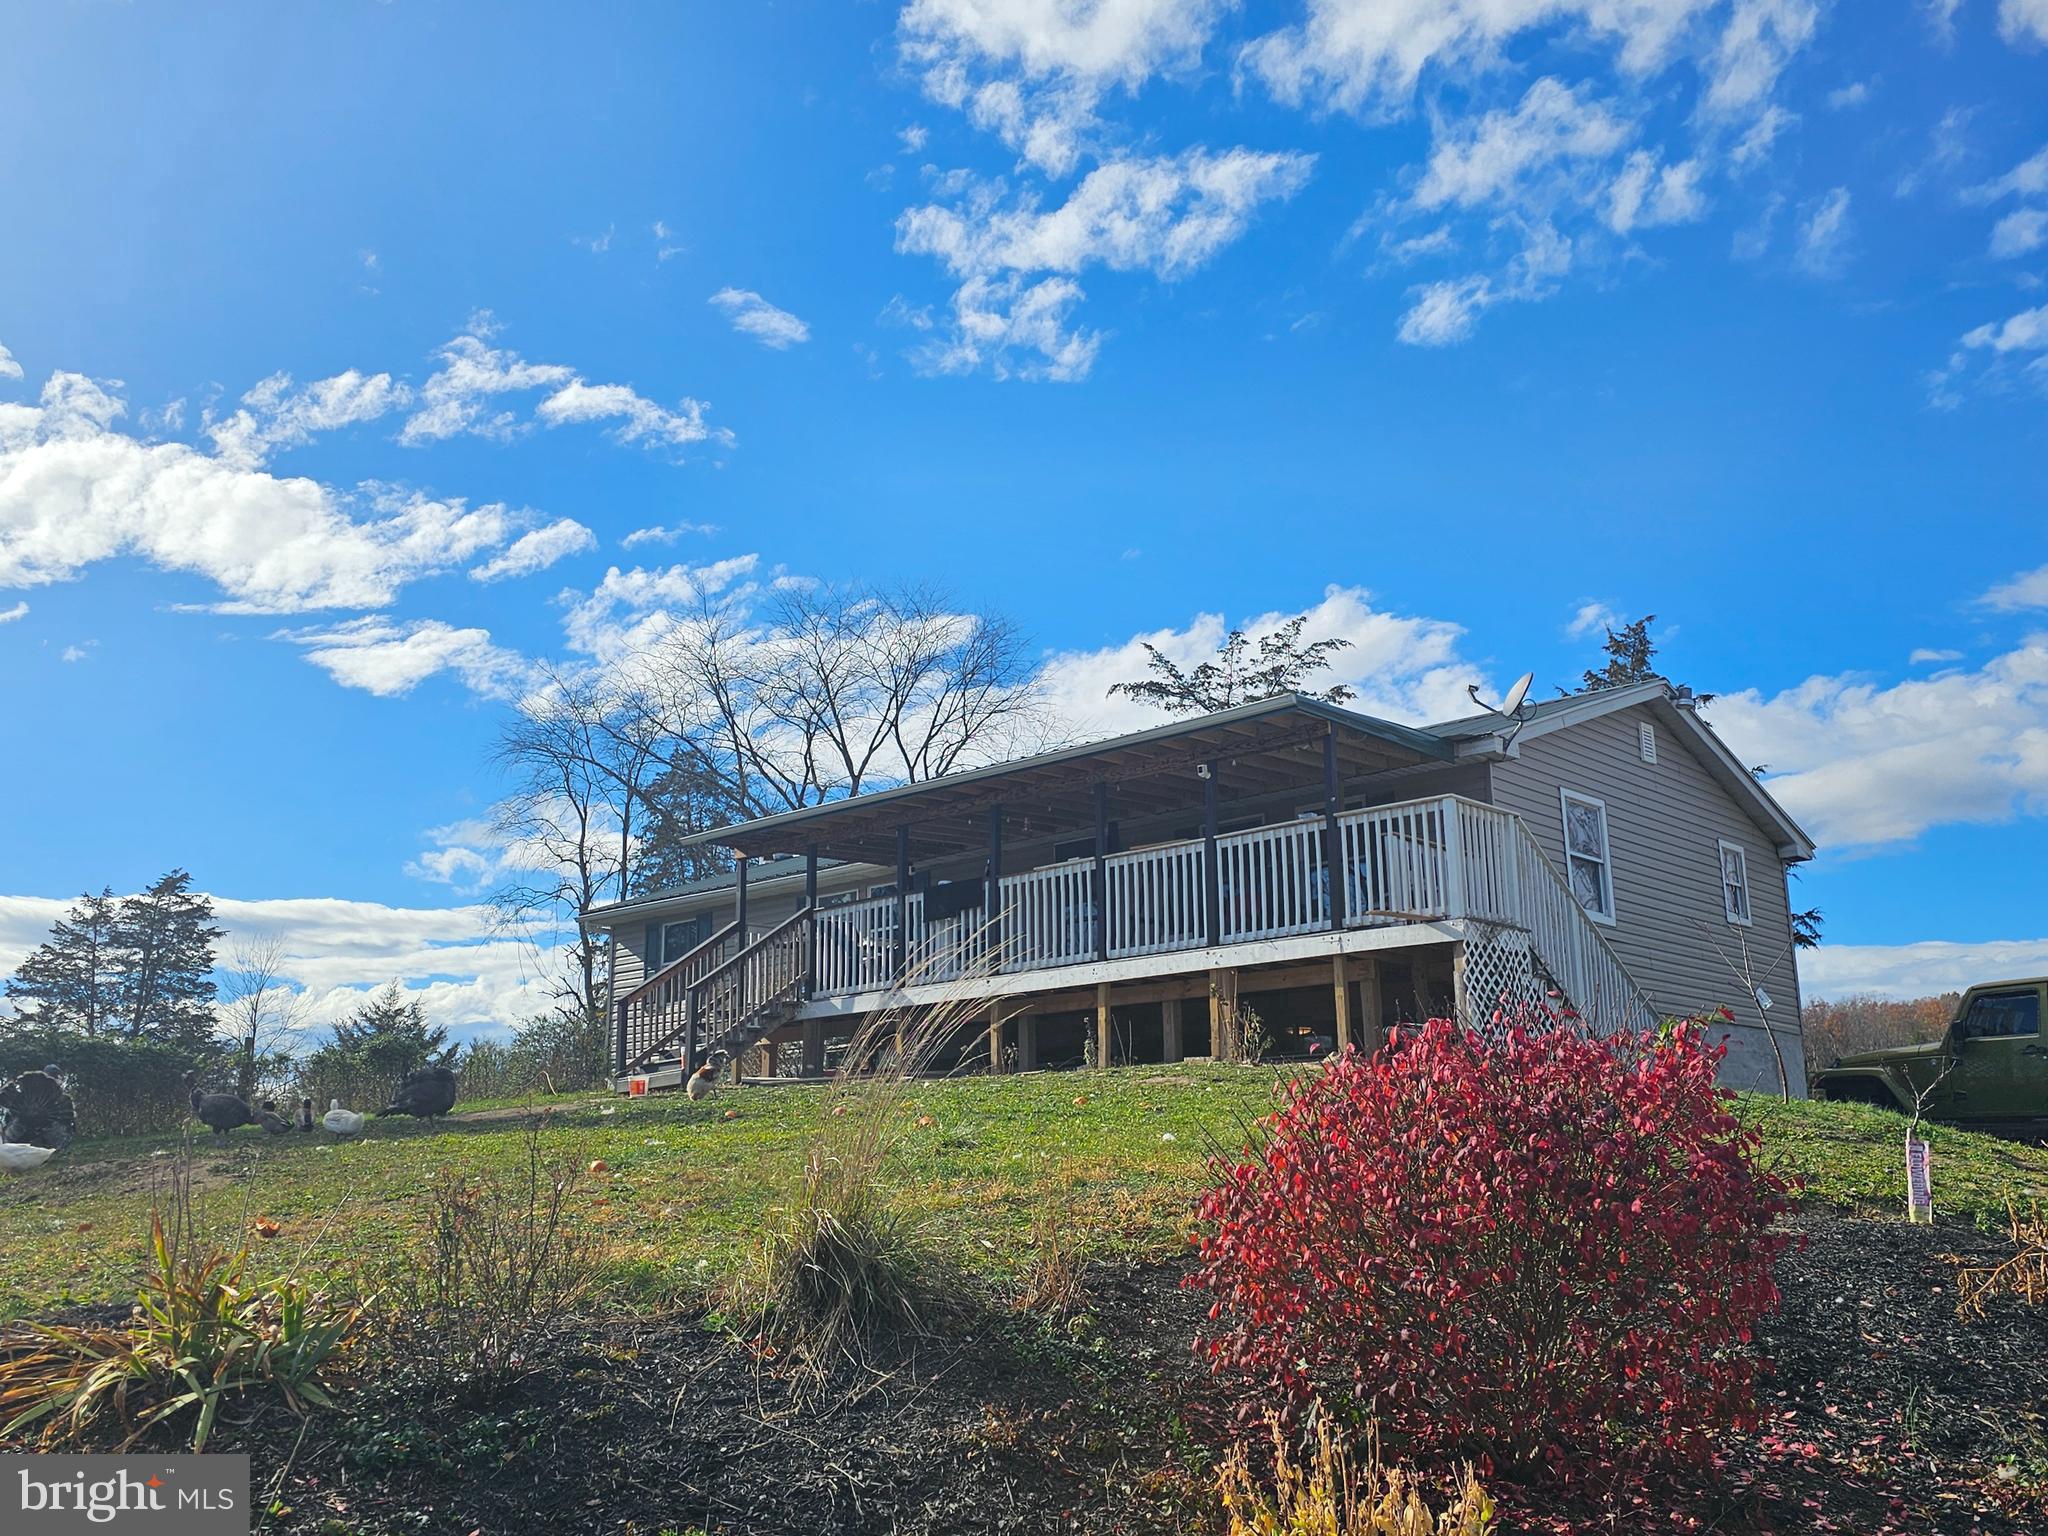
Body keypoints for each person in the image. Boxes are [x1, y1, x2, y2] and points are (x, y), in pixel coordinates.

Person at [0, 1064, 77, 1150]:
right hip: (35, 1146)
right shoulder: (60, 1103)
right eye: (57, 1078)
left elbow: (9, 1138)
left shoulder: (59, 1103)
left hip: (25, 1146)